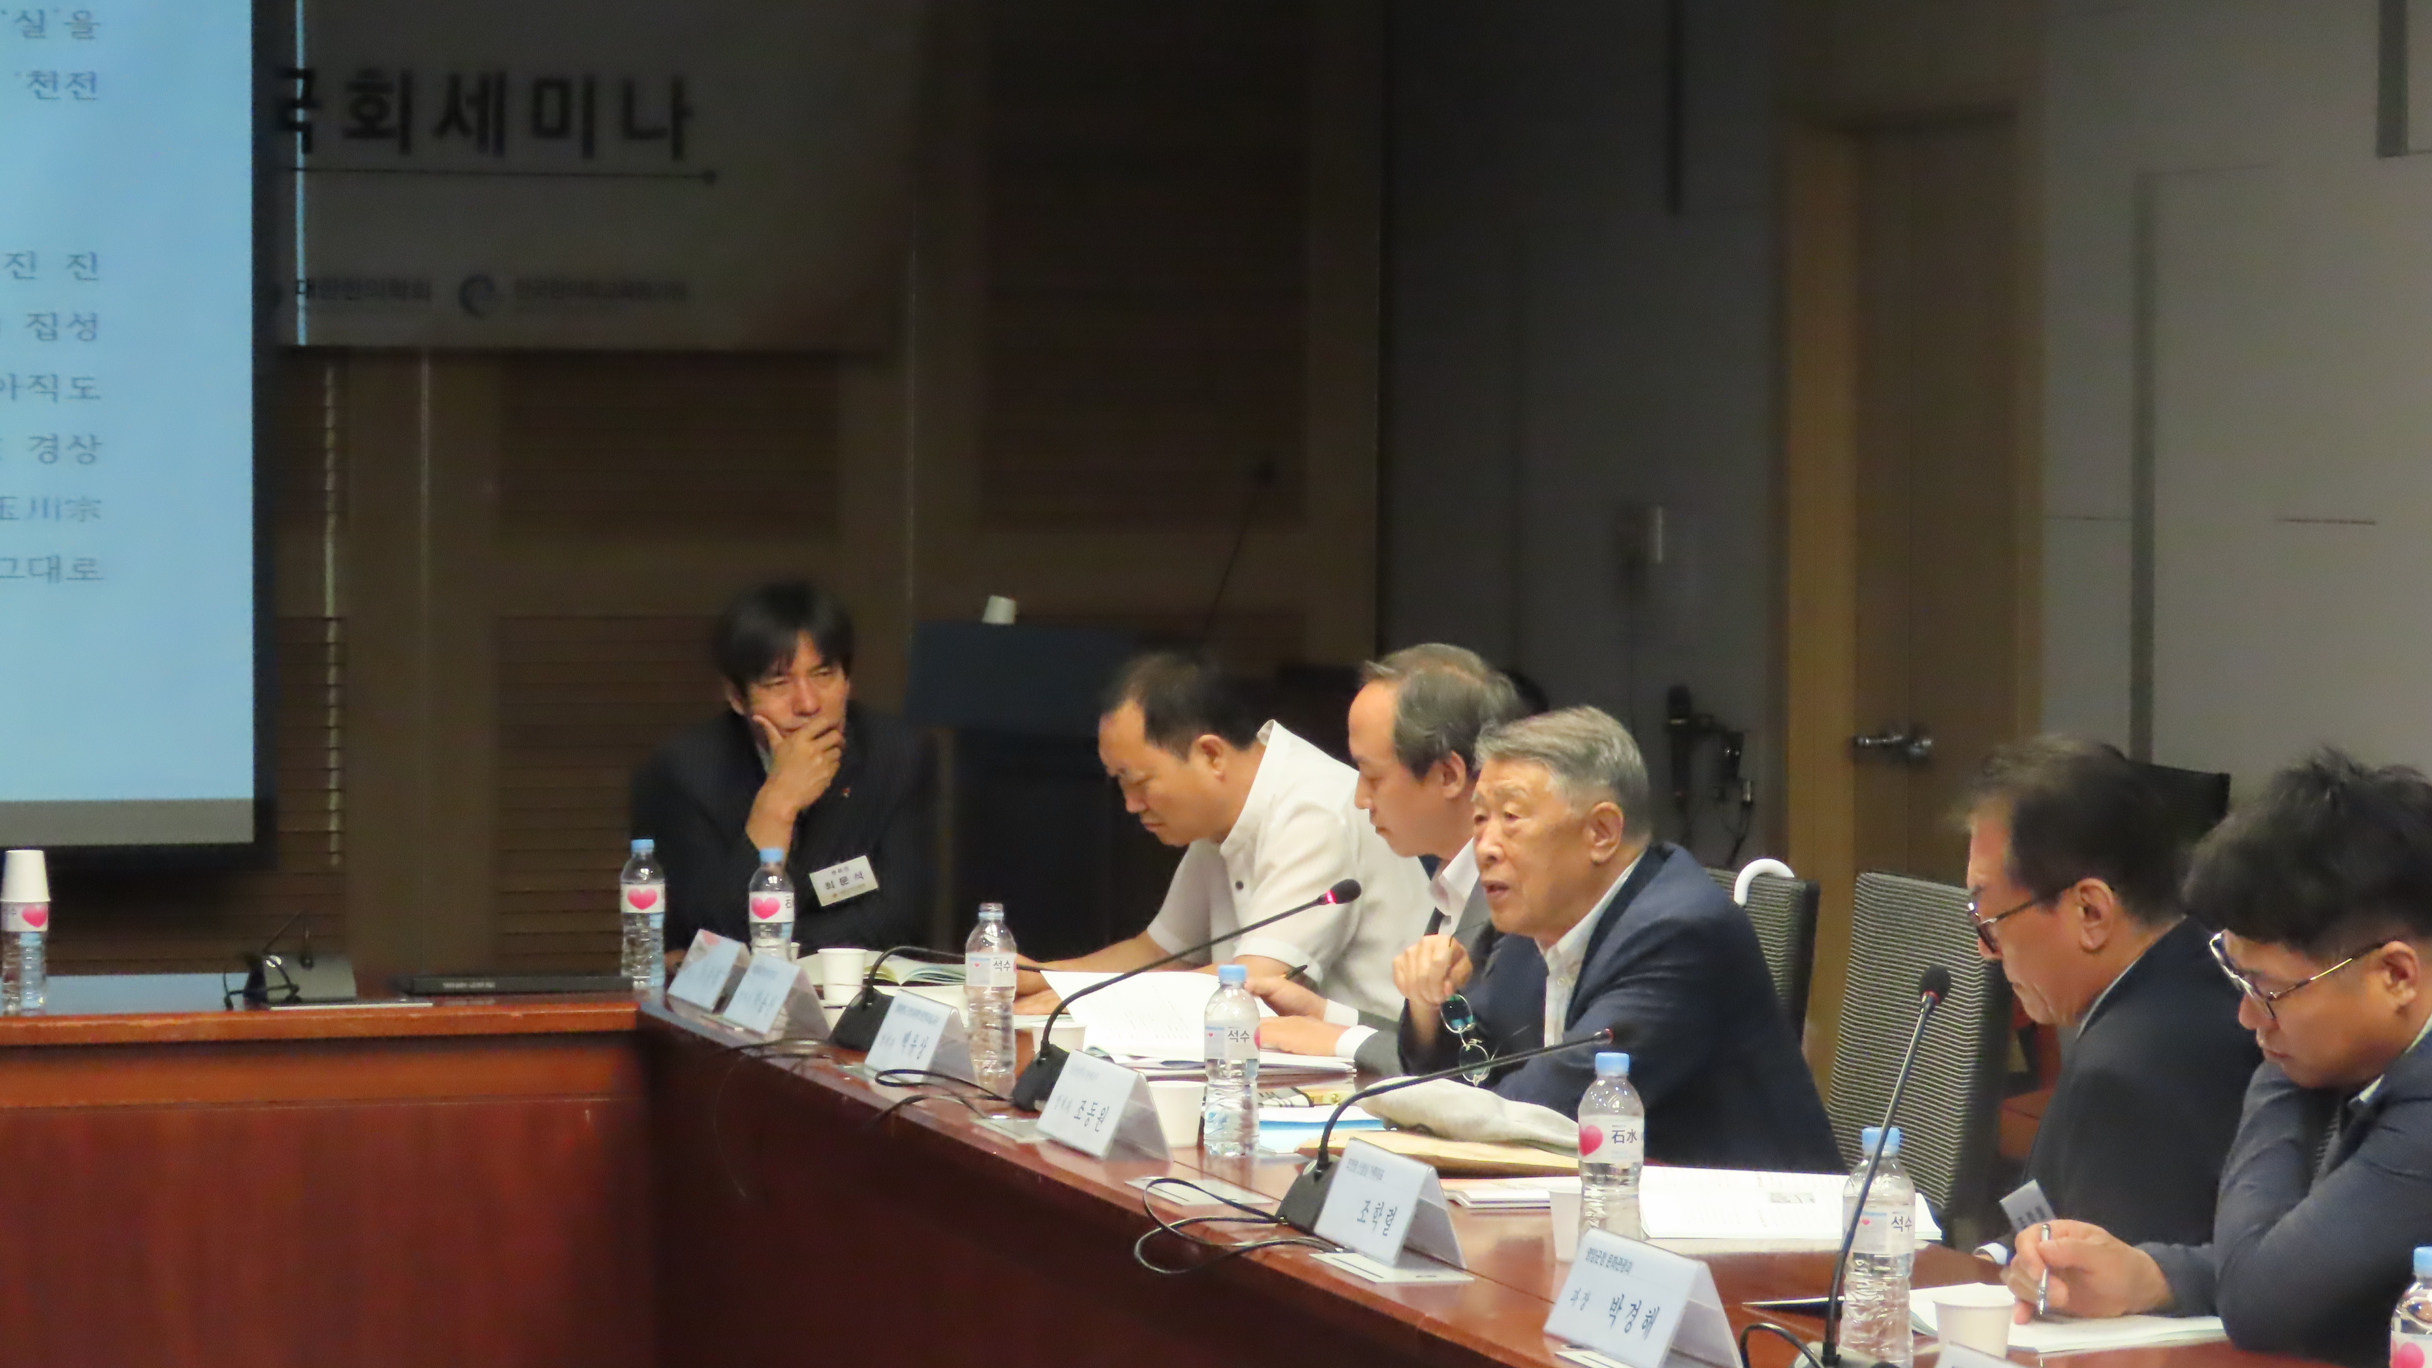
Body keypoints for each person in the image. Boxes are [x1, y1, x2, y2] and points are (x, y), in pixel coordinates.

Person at [2005, 751, 2432, 1367]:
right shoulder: (2370, 1048)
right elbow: (2318, 1265)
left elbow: (2261, 1300)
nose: (2247, 1017)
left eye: (2269, 990)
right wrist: (2150, 1277)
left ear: (2395, 976)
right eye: (2240, 982)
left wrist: (2278, 1073)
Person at [1395, 706, 1838, 1169]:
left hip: (1749, 1210)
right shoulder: (1533, 927)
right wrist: (1429, 1006)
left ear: (1601, 832)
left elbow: (1543, 1116)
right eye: (1480, 818)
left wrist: (1399, 1104)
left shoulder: (1680, 934)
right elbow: (1476, 1073)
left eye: (1510, 817)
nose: (1485, 847)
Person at [1018, 650, 1431, 1022]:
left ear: (1211, 754)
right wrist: (1039, 976)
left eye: (1139, 782)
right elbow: (1160, 953)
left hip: (1375, 1065)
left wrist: (1085, 1000)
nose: (1130, 804)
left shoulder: (1313, 812)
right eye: (1119, 783)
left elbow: (1253, 986)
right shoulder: (1220, 817)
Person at [1963, 738, 2258, 1246]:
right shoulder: (2199, 966)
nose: (1985, 951)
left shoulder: (2130, 1070)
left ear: (2091, 912)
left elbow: (2089, 1284)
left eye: (1991, 921)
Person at [1250, 644, 1526, 1070]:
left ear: (1448, 775)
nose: (1360, 799)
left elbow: (1486, 1069)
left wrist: (1344, 1041)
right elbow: (1435, 1043)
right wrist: (1326, 1014)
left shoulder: (1519, 898)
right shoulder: (1454, 878)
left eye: (1373, 776)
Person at [630, 581, 932, 953]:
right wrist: (778, 804)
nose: (807, 704)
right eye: (778, 683)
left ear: (847, 680)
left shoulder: (896, 753)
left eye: (823, 675)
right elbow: (714, 936)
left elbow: (899, 916)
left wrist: (775, 941)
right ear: (737, 697)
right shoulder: (685, 772)